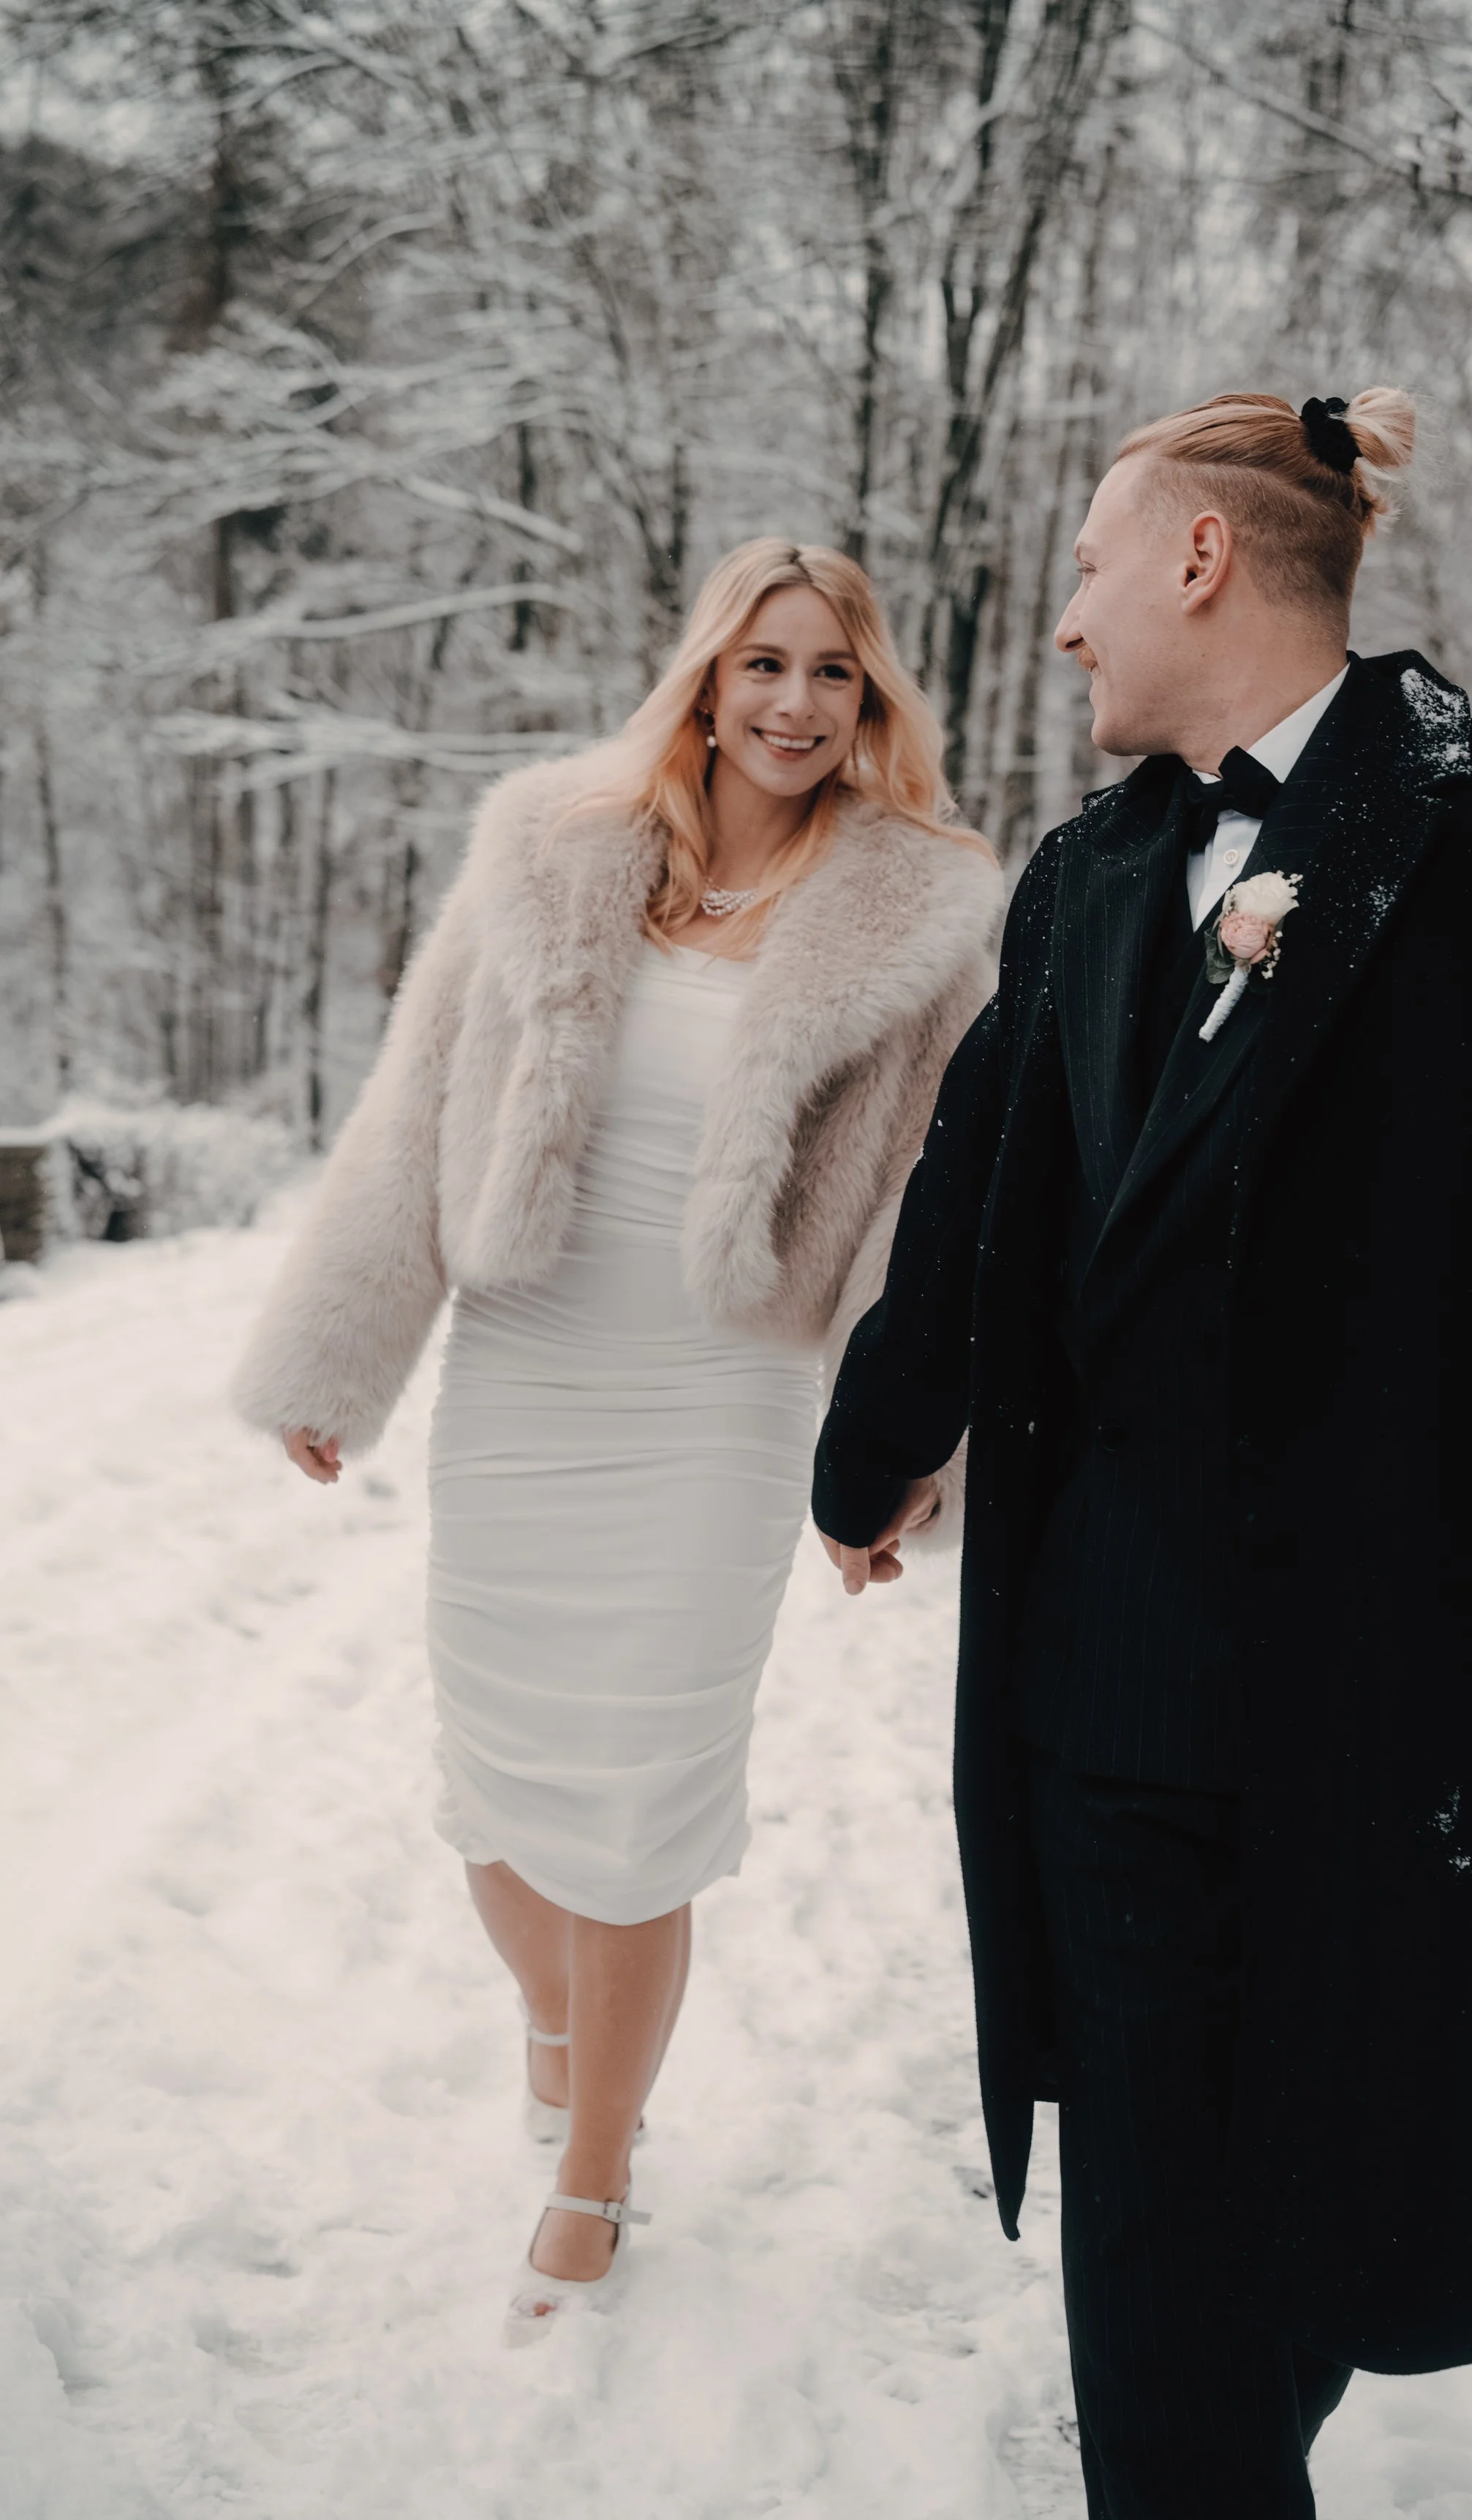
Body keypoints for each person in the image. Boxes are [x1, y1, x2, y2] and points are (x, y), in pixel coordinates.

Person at [812, 389, 1472, 2520]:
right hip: (1100, 1679)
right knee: (1150, 2210)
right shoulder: (1079, 877)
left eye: (1091, 569)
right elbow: (981, 1196)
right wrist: (876, 1443)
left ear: (1211, 566)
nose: (1057, 623)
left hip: (1386, 1684)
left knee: (1317, 2196)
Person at [234, 538, 999, 2339]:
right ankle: (561, 2024)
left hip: (718, 1394)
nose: (797, 704)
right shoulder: (551, 853)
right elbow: (417, 1102)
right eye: (766, 667)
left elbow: (923, 1201)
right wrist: (337, 1361)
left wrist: (895, 1455)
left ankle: (595, 2170)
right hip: (527, 1367)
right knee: (494, 1797)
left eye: (834, 674)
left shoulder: (925, 912)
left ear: (871, 699)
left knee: (636, 1811)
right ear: (707, 680)